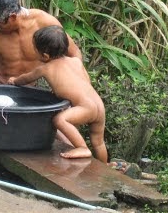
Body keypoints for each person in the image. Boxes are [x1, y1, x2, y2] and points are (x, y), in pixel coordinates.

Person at [8, 25, 107, 162]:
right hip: (98, 105)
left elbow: (25, 79)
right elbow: (85, 82)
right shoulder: (76, 61)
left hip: (85, 108)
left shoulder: (45, 68)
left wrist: (14, 80)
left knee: (59, 120)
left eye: (35, 50)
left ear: (45, 56)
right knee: (98, 142)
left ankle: (82, 147)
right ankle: (104, 168)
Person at [0, 0, 82, 84]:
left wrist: (71, 83)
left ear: (12, 17)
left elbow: (74, 53)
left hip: (25, 90)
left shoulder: (44, 23)